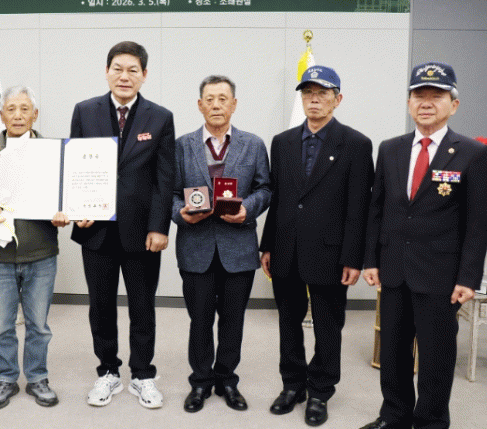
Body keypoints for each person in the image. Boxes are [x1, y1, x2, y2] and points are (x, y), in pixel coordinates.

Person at [359, 62, 487, 429]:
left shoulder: (472, 153)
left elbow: (477, 223)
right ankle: (394, 416)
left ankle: (430, 422)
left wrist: (468, 277)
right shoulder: (391, 149)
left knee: (436, 357)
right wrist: (370, 259)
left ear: (454, 104)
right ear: (409, 103)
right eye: (419, 95)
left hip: (441, 276)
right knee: (393, 353)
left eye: (436, 96)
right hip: (395, 270)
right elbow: (377, 208)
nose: (426, 102)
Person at [260, 66, 374, 426]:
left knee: (327, 325)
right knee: (288, 322)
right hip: (286, 248)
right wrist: (267, 245)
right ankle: (292, 385)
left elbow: (359, 207)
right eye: (308, 92)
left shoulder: (356, 144)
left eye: (322, 93)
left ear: (337, 99)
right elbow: (278, 199)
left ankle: (321, 390)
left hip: (331, 252)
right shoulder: (282, 142)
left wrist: (354, 257)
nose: (314, 99)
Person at [70, 41, 175, 409]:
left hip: (142, 232)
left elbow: (165, 177)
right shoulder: (85, 111)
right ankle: (108, 371)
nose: (124, 76)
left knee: (142, 306)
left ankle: (143, 374)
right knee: (100, 306)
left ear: (144, 75)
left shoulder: (160, 117)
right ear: (106, 71)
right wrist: (77, 207)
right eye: (117, 68)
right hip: (95, 229)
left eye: (133, 70)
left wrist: (160, 227)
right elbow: (76, 166)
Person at [0, 85, 69, 410]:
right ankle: (6, 378)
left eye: (25, 109)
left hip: (41, 254)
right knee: (2, 327)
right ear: (1, 115)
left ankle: (37, 378)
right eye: (11, 109)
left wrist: (66, 212)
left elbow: (66, 195)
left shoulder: (54, 153)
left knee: (39, 326)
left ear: (35, 115)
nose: (18, 115)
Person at [172, 75, 271, 413]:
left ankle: (227, 379)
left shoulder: (253, 144)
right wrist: (180, 214)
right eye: (210, 99)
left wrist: (248, 210)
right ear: (200, 105)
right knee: (199, 320)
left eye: (223, 99)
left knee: (233, 320)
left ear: (234, 105)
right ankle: (200, 381)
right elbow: (170, 193)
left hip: (238, 247)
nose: (216, 105)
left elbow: (265, 188)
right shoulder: (182, 145)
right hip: (195, 247)